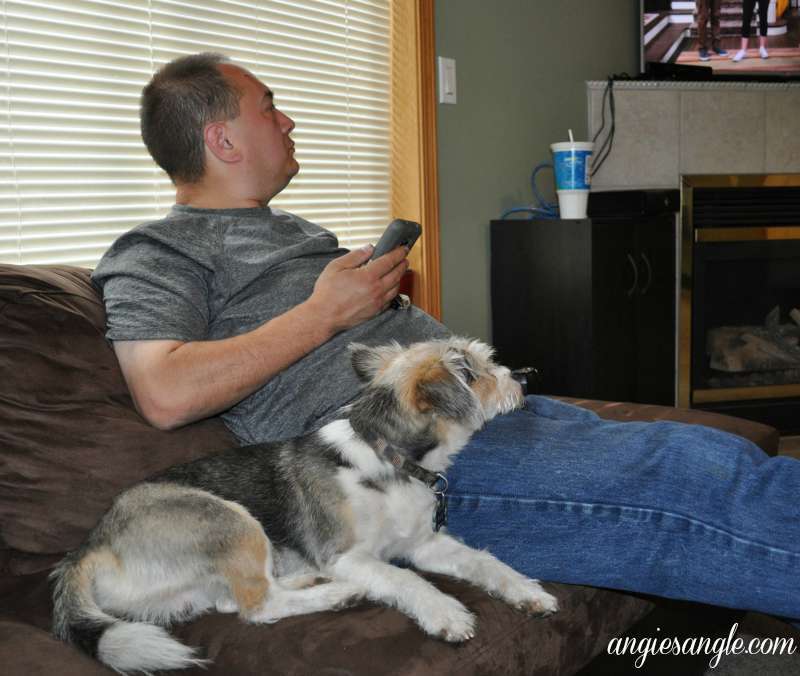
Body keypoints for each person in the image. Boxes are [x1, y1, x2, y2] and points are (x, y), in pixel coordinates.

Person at [92, 53, 800, 623]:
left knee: (704, 451)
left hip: (477, 420)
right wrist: (323, 313)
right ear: (221, 140)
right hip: (400, 462)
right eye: (269, 106)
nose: (289, 118)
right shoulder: (155, 251)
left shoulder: (294, 231)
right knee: (684, 477)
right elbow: (164, 392)